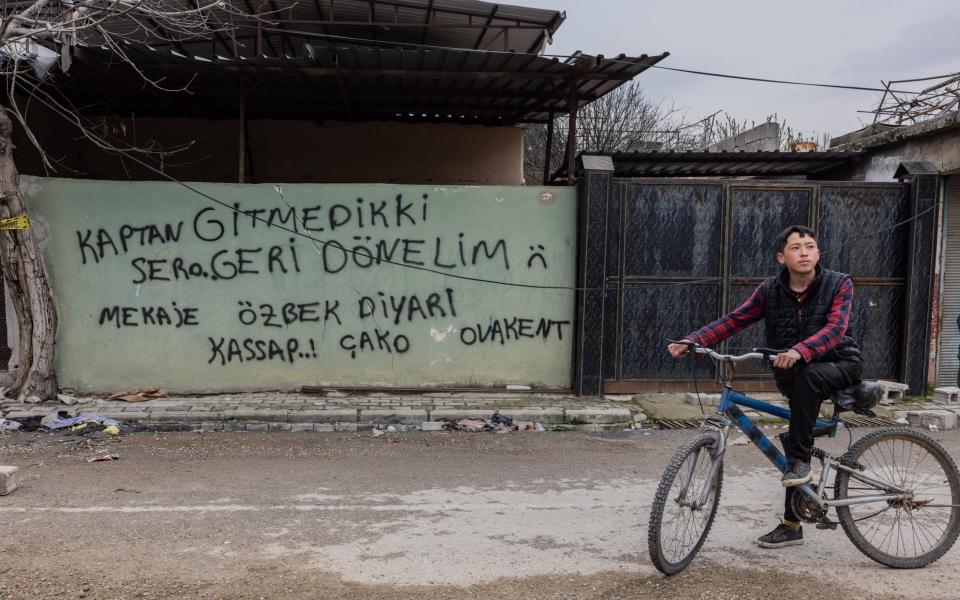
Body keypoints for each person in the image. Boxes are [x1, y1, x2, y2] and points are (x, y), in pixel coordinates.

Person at [667, 224, 861, 549]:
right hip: (796, 377)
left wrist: (801, 350)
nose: (804, 252)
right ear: (781, 257)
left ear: (818, 254)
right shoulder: (770, 290)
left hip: (839, 365)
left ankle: (800, 464)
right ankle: (792, 524)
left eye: (810, 246)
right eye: (796, 247)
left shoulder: (838, 283)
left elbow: (836, 328)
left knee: (803, 402)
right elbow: (735, 319)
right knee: (794, 438)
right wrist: (694, 340)